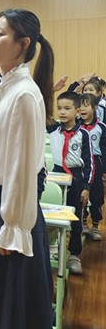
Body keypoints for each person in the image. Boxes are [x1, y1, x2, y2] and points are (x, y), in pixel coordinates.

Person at [0, 9, 55, 329]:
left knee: (9, 307)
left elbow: (22, 170)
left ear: (23, 43)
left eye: (0, 34)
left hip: (11, 210)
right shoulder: (2, 88)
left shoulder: (24, 94)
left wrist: (13, 227)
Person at [48, 91, 94, 275]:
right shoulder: (53, 129)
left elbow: (89, 163)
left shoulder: (83, 134)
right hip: (57, 174)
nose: (62, 112)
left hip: (76, 177)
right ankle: (53, 247)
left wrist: (87, 187)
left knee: (75, 217)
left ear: (77, 111)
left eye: (67, 108)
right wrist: (51, 90)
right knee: (53, 214)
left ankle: (74, 254)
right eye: (59, 108)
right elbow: (40, 108)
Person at [78, 92, 105, 241]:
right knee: (81, 196)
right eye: (80, 106)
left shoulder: (101, 127)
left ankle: (95, 226)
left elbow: (104, 149)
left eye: (86, 105)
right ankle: (82, 224)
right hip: (81, 165)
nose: (82, 109)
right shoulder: (76, 126)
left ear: (94, 107)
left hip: (97, 164)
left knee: (96, 196)